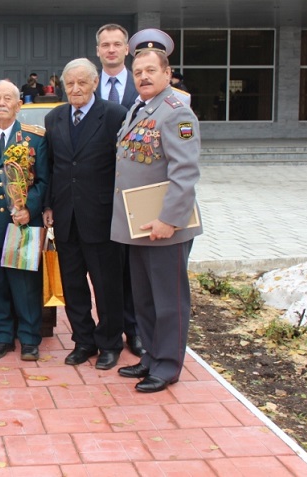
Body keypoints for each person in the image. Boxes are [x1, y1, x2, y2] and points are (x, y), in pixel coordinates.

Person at [112, 28, 203, 393]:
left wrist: (169, 219)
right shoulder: (139, 108)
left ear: (168, 74)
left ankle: (167, 366)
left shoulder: (177, 114)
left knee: (169, 301)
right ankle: (150, 356)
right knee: (145, 300)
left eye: (151, 70)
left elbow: (185, 172)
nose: (144, 77)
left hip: (165, 226)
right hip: (139, 224)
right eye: (138, 72)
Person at [42, 58, 127, 370]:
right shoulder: (55, 117)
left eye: (82, 83)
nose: (75, 89)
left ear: (94, 84)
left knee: (106, 285)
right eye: (70, 84)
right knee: (73, 284)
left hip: (102, 215)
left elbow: (124, 166)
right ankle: (83, 340)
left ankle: (109, 343)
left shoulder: (115, 115)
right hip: (66, 216)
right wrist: (49, 205)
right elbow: (51, 166)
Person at [0, 80, 48, 361]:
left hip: (22, 225)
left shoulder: (35, 138)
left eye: (8, 98)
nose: (2, 103)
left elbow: (44, 180)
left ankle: (30, 339)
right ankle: (2, 337)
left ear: (19, 105)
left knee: (25, 286)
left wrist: (30, 207)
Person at [94, 23, 144, 357]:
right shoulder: (87, 85)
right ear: (97, 50)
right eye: (105, 45)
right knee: (106, 268)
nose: (111, 50)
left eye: (117, 44)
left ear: (127, 49)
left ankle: (135, 330)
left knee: (134, 267)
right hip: (97, 195)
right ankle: (109, 328)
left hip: (134, 193)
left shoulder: (143, 88)